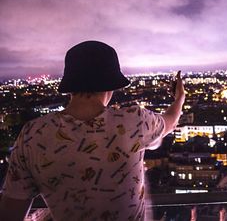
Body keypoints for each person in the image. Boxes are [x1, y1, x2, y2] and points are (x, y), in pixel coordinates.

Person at [0, 40, 185, 221]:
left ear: (69, 85)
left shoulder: (32, 135)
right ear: (111, 85)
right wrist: (179, 98)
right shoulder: (133, 121)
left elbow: (10, 213)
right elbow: (170, 121)